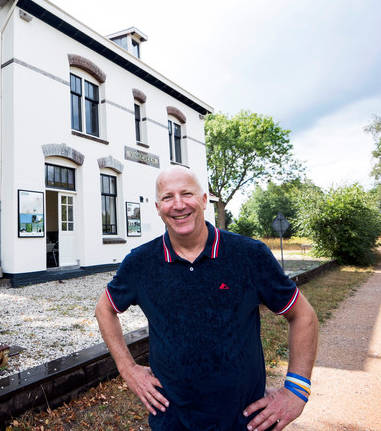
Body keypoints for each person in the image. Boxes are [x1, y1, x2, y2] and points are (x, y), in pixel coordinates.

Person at [95, 166, 318, 430]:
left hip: (244, 421)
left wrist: (296, 389)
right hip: (172, 421)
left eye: (187, 194)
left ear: (203, 200)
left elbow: (303, 315)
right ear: (157, 207)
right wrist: (128, 369)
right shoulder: (140, 263)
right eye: (168, 197)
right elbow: (104, 309)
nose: (178, 204)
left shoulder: (249, 256)